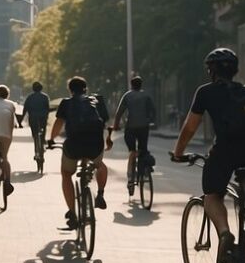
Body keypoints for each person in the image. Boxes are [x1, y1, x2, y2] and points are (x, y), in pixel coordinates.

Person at [171, 48, 245, 263]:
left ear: (211, 71)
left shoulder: (206, 92)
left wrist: (178, 152)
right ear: (235, 70)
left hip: (226, 150)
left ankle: (225, 234)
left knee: (212, 195)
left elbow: (189, 127)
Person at [48, 76, 112, 227]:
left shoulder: (66, 103)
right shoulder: (97, 101)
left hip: (74, 145)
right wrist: (108, 139)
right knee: (100, 165)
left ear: (70, 90)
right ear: (86, 88)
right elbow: (107, 124)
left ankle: (72, 212)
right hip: (95, 145)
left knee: (66, 174)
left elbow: (59, 124)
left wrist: (51, 140)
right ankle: (101, 194)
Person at [112, 75, 157, 196]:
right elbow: (153, 110)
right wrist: (151, 121)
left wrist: (116, 125)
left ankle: (131, 179)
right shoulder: (147, 96)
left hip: (130, 128)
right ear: (141, 85)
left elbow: (119, 113)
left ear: (131, 85)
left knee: (132, 152)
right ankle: (145, 169)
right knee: (143, 149)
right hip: (144, 127)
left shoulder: (127, 95)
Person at [20, 82, 51, 158]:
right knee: (43, 130)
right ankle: (43, 143)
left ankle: (36, 151)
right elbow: (48, 108)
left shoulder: (30, 97)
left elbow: (25, 109)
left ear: (33, 88)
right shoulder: (45, 97)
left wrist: (20, 121)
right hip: (43, 117)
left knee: (35, 134)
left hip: (33, 118)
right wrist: (47, 116)